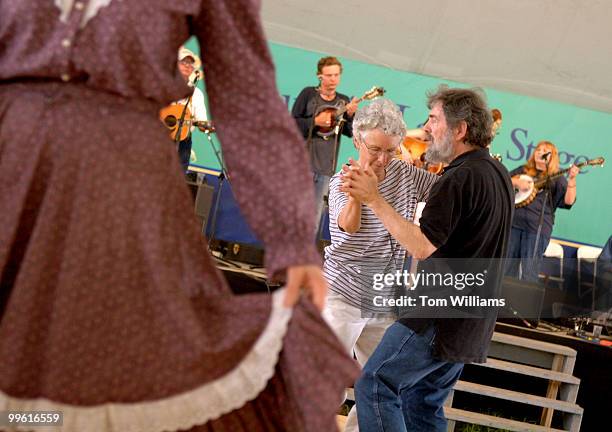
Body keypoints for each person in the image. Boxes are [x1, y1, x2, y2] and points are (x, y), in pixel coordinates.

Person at [0, 1, 358, 431]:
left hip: (121, 196)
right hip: (10, 167)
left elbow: (247, 101)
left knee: (98, 363)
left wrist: (292, 237)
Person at [342, 86, 514, 431]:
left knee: (374, 384)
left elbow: (421, 246)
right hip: (471, 322)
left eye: (434, 119)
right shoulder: (497, 174)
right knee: (421, 404)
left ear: (460, 129)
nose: (428, 127)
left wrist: (374, 199)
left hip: (439, 315)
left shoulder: (460, 177)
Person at [322, 99, 438, 431]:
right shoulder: (343, 179)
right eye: (375, 149)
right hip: (343, 294)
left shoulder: (405, 174)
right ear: (358, 141)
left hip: (385, 297)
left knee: (383, 384)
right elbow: (348, 225)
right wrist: (361, 194)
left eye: (390, 150)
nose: (383, 159)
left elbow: (442, 191)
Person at [291, 56, 359, 236]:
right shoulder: (308, 94)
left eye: (336, 75)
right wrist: (315, 121)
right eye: (329, 75)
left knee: (313, 217)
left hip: (325, 168)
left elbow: (350, 133)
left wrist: (351, 116)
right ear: (319, 76)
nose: (333, 80)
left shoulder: (343, 101)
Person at [506, 141, 579, 281]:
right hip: (513, 226)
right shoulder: (523, 170)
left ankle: (524, 303)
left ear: (552, 157)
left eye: (545, 150)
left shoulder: (557, 177)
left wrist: (572, 180)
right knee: (506, 270)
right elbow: (504, 180)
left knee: (529, 274)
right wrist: (516, 182)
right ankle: (503, 301)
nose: (540, 152)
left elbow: (569, 201)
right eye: (538, 149)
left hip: (536, 231)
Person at [173, 46, 209, 172]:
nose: (188, 66)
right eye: (184, 62)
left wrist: (206, 126)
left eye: (190, 63)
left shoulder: (196, 93)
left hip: (183, 142)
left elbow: (201, 121)